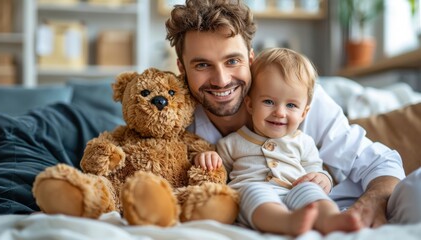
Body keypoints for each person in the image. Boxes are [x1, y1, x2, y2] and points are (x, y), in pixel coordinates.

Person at [165, 0, 420, 227]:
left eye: (233, 61)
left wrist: (372, 203)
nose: (221, 80)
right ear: (181, 68)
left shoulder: (297, 96)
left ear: (251, 58)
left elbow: (379, 162)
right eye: (202, 65)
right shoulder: (169, 116)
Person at [195, 47, 363, 235]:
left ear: (304, 113)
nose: (280, 112)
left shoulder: (303, 142)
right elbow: (218, 175)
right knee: (252, 193)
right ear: (250, 104)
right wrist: (209, 157)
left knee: (311, 192)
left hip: (294, 190)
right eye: (268, 102)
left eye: (291, 105)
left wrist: (323, 179)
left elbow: (315, 169)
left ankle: (330, 219)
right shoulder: (231, 143)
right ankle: (287, 222)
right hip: (254, 195)